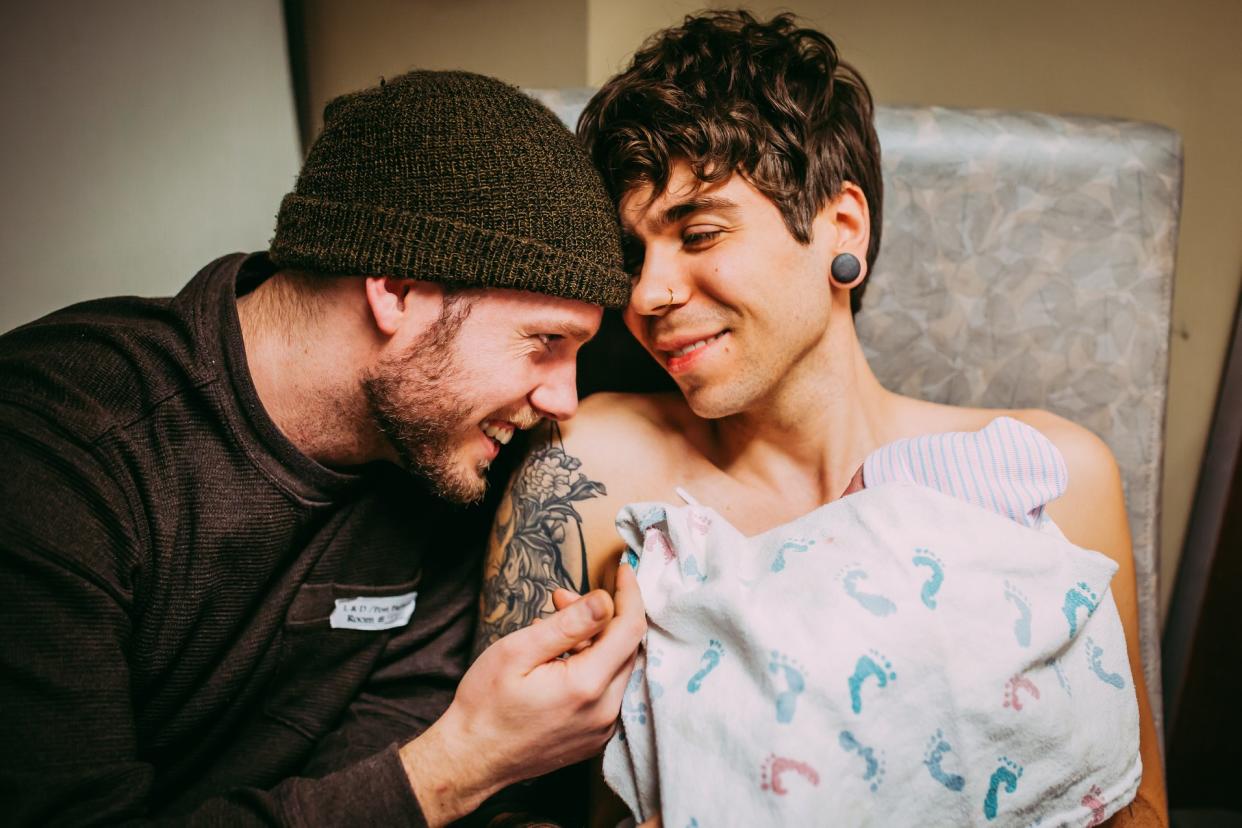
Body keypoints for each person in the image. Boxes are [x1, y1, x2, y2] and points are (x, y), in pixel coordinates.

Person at [475, 11, 1167, 826]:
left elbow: (1135, 802)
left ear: (843, 227)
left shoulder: (1050, 476)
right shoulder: (586, 469)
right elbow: (498, 799)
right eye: (632, 257)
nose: (646, 294)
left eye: (698, 233)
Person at [0, 70, 645, 826]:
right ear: (398, 290)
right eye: (544, 342)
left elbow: (369, 772)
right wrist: (469, 762)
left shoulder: (440, 465)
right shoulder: (56, 451)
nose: (560, 402)